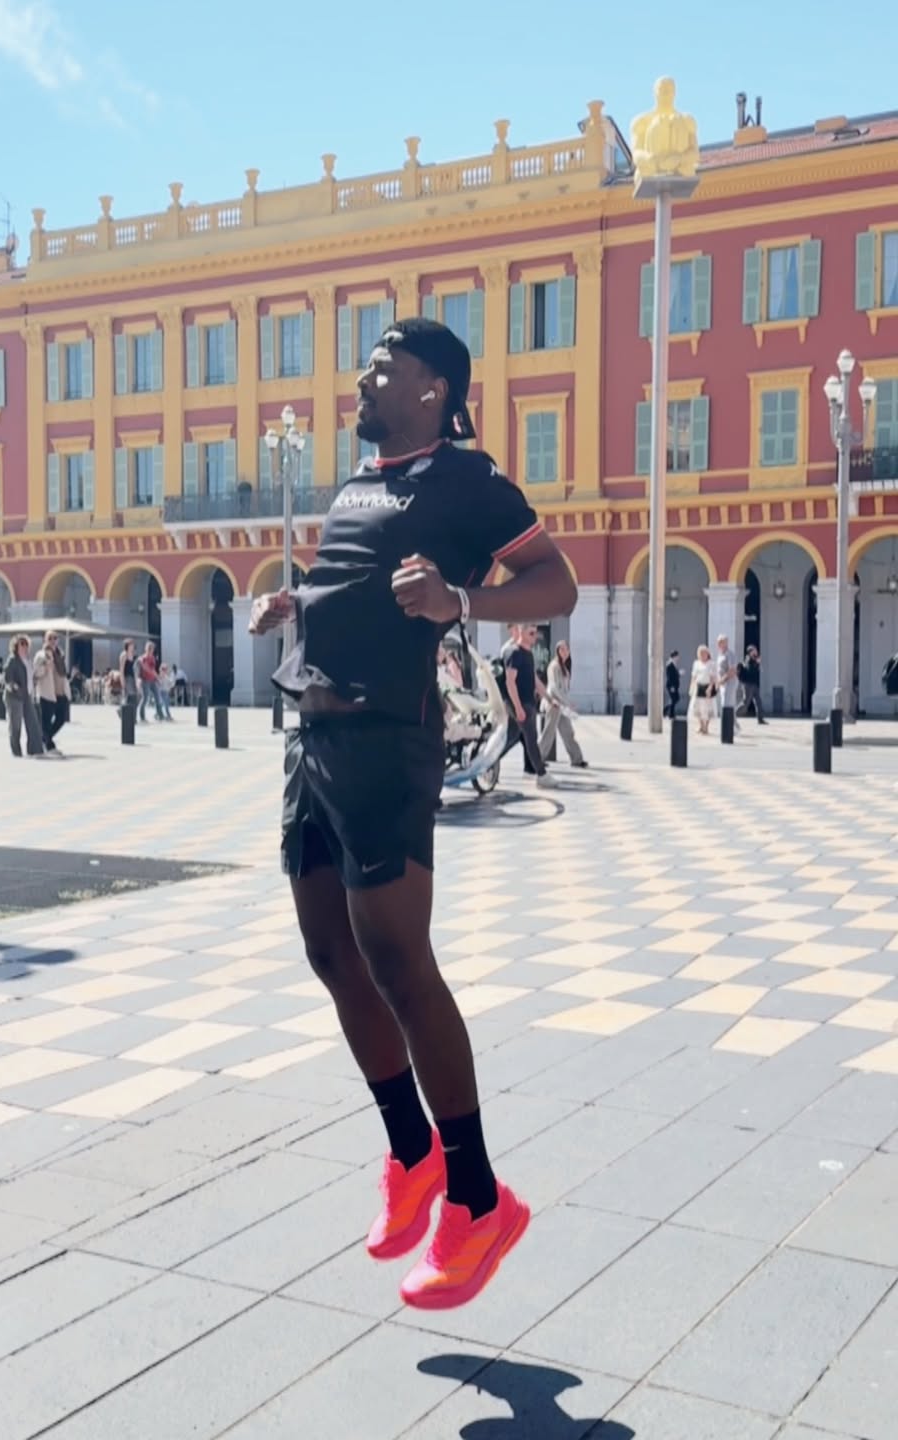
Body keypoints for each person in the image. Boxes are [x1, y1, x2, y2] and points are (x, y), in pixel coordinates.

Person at [250, 317, 577, 1310]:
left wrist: (458, 602)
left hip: (388, 741)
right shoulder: (358, 482)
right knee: (329, 954)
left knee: (398, 962)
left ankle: (478, 1200)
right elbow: (356, 585)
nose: (364, 377)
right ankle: (412, 1155)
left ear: (432, 388)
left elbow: (556, 584)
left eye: (383, 366)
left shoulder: (467, 481)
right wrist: (297, 602)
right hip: (312, 736)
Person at [500, 622, 552, 787]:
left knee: (511, 738)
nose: (535, 636)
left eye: (535, 633)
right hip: (521, 704)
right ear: (521, 632)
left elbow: (535, 680)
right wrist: (518, 707)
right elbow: (510, 682)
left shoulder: (528, 654)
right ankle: (542, 775)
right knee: (531, 739)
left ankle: (488, 764)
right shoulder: (514, 653)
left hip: (527, 703)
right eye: (531, 633)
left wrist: (549, 698)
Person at [540, 640, 587, 767]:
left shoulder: (564, 667)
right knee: (548, 733)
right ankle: (537, 759)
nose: (564, 652)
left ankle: (577, 759)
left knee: (568, 732)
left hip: (561, 705)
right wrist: (567, 702)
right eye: (561, 649)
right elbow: (554, 687)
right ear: (557, 651)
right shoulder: (554, 666)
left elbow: (564, 688)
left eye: (566, 649)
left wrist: (566, 703)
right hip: (554, 704)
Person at [6, 635, 45, 758]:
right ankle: (16, 751)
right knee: (15, 725)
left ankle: (35, 749)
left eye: (26, 644)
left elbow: (31, 676)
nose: (24, 647)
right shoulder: (13, 660)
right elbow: (8, 678)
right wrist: (14, 687)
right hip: (15, 697)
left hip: (27, 695)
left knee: (33, 722)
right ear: (16, 646)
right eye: (21, 644)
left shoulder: (28, 660)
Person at [33, 634, 62, 754]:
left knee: (61, 718)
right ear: (44, 640)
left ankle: (45, 739)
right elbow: (36, 673)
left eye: (55, 638)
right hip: (45, 692)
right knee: (46, 721)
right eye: (50, 638)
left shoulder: (59, 655)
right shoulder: (41, 655)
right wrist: (45, 667)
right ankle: (48, 744)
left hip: (57, 692)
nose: (52, 641)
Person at [714, 634, 740, 732]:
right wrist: (718, 681)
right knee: (725, 704)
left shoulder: (730, 654)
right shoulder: (720, 655)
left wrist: (722, 680)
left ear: (726, 643)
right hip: (723, 683)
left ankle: (732, 727)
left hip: (730, 682)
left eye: (721, 642)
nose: (719, 644)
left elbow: (732, 670)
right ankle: (733, 725)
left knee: (727, 704)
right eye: (718, 642)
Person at [690, 643, 716, 734]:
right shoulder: (696, 663)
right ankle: (701, 725)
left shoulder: (711, 664)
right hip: (698, 686)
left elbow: (713, 677)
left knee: (707, 707)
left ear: (707, 654)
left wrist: (710, 687)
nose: (702, 655)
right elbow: (694, 676)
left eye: (704, 653)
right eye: (700, 653)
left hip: (708, 686)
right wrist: (692, 687)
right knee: (697, 707)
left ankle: (706, 727)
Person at [138, 640, 166, 721]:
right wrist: (157, 677)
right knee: (145, 698)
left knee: (158, 697)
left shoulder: (153, 658)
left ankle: (160, 715)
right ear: (146, 649)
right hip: (145, 680)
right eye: (149, 648)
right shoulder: (143, 658)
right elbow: (148, 670)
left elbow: (153, 670)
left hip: (153, 680)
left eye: (152, 649)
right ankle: (142, 716)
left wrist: (157, 679)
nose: (151, 650)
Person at [739, 645, 766, 723]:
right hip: (748, 685)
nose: (756, 651)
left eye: (756, 650)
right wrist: (757, 663)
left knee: (758, 702)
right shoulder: (748, 660)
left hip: (754, 684)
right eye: (754, 650)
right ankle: (733, 714)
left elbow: (759, 670)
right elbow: (750, 671)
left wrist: (758, 664)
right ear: (750, 652)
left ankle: (760, 719)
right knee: (745, 703)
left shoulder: (755, 659)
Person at [665, 649, 681, 717]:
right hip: (671, 685)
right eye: (677, 656)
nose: (678, 658)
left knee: (675, 699)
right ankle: (669, 713)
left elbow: (674, 674)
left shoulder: (673, 664)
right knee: (674, 699)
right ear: (674, 656)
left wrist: (679, 673)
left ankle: (668, 711)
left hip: (675, 685)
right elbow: (669, 676)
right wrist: (672, 686)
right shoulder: (670, 664)